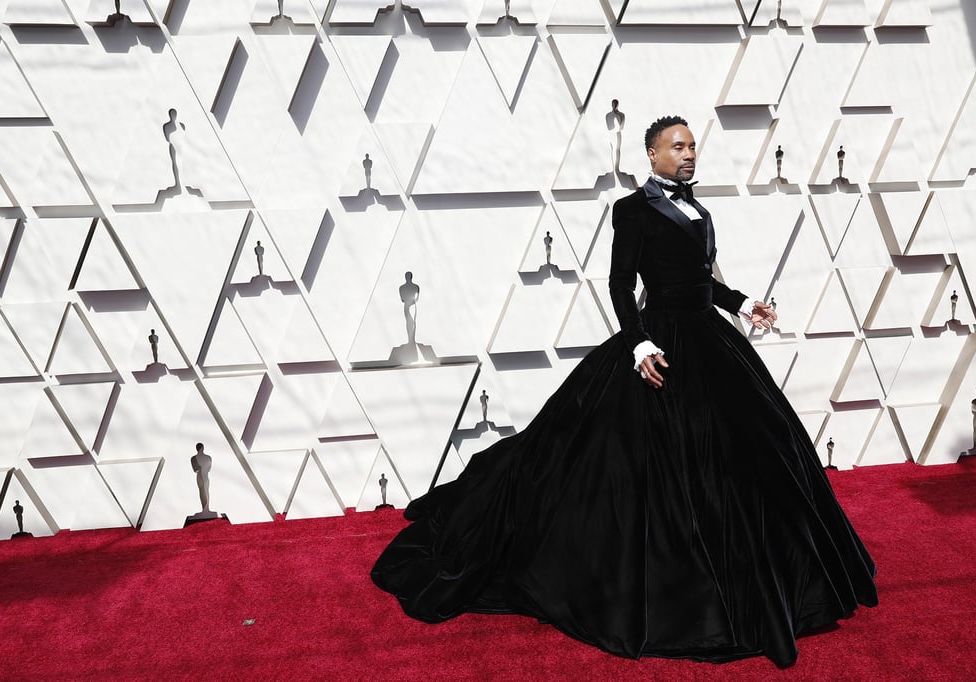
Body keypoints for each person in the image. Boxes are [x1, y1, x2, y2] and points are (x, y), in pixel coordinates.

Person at [371, 115, 877, 668]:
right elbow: (620, 283)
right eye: (676, 146)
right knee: (624, 466)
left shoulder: (700, 210)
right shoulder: (632, 210)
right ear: (652, 155)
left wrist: (742, 302)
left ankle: (776, 583)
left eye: (691, 146)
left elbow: (701, 279)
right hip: (657, 343)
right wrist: (637, 345)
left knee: (757, 448)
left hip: (709, 338)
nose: (688, 154)